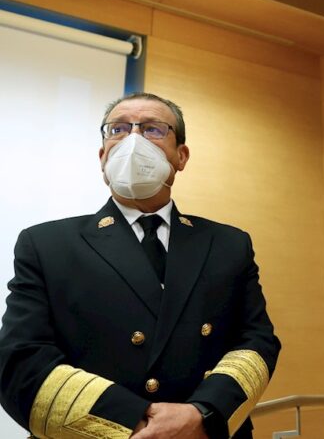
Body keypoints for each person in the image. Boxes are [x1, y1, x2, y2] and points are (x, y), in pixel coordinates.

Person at [0, 93, 281, 438]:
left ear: (181, 156)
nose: (132, 140)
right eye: (117, 129)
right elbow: (21, 358)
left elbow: (256, 341)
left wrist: (201, 415)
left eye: (152, 129)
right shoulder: (46, 244)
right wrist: (133, 420)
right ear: (102, 156)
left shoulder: (228, 244)